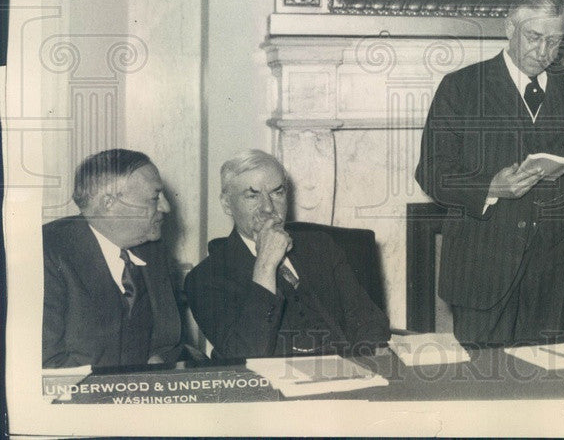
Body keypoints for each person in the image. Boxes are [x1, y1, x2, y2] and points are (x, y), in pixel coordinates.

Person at [415, 0, 564, 346]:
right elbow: (431, 171)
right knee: (485, 388)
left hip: (556, 275)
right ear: (509, 27)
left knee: (552, 389)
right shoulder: (461, 87)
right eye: (535, 37)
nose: (544, 52)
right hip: (483, 269)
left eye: (554, 41)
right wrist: (491, 187)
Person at [185, 149, 389, 358]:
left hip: (344, 374)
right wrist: (265, 265)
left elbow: (369, 321)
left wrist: (364, 367)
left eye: (277, 193)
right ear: (227, 204)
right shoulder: (205, 278)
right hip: (272, 385)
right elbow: (244, 355)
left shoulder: (320, 247)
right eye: (252, 195)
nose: (267, 208)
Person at [42, 149, 182, 367]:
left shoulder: (151, 251)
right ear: (109, 203)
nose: (166, 207)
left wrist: (158, 361)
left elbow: (167, 342)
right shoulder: (48, 252)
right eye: (155, 198)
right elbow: (45, 363)